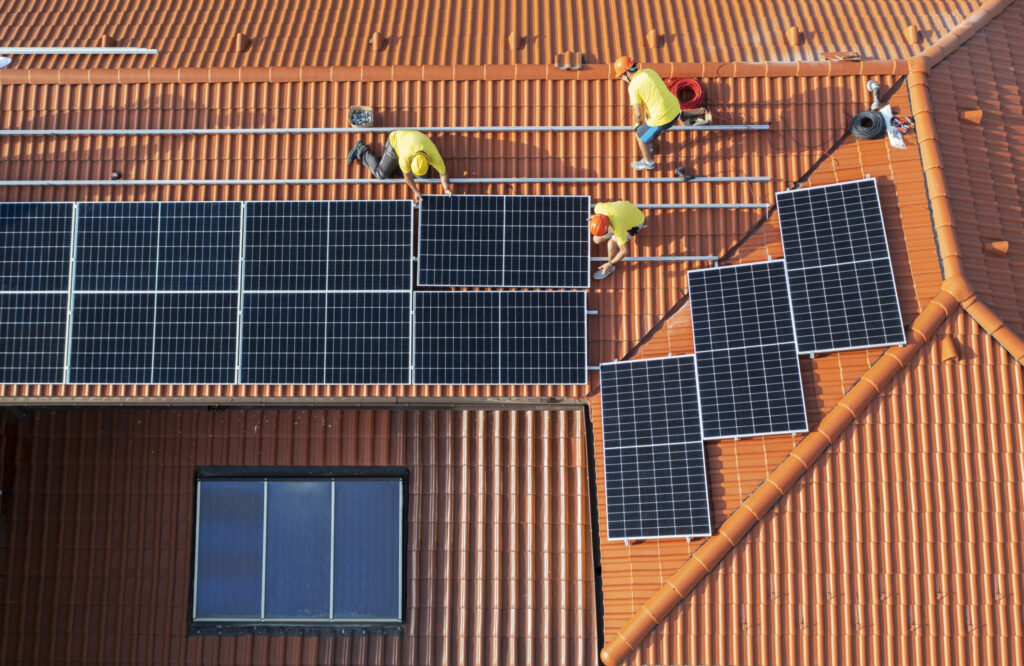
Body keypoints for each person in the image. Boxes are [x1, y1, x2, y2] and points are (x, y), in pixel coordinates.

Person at [613, 56, 681, 171]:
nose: (621, 79)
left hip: (665, 118)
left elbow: (638, 114)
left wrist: (636, 125)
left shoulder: (633, 86)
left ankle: (648, 162)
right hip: (676, 108)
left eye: (621, 76)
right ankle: (649, 143)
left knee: (640, 135)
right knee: (647, 117)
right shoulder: (649, 71)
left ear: (627, 73)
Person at [348, 130, 453, 203]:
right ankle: (361, 150)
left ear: (428, 160)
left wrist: (446, 188)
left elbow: (443, 173)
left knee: (423, 176)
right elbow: (407, 177)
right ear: (410, 162)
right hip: (395, 142)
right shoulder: (405, 157)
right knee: (382, 174)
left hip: (414, 140)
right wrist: (415, 191)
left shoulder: (433, 154)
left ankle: (388, 165)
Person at [590, 200, 646, 274]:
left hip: (636, 222)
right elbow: (597, 218)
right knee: (596, 240)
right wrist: (594, 218)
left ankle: (610, 266)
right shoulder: (598, 208)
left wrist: (610, 263)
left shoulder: (619, 229)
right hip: (624, 212)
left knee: (611, 244)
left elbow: (624, 251)